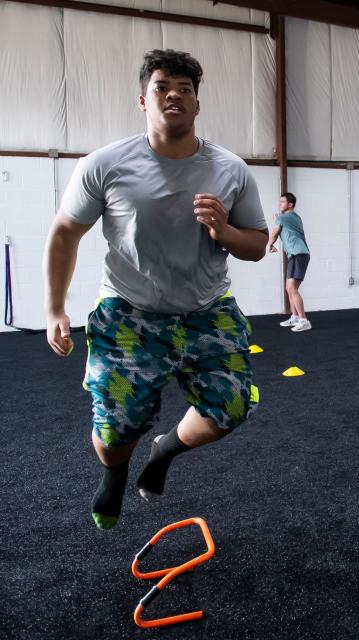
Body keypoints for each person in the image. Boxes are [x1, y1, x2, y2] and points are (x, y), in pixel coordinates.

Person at [43, 49, 268, 530]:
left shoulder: (230, 169)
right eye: (162, 87)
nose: (174, 95)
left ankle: (166, 448)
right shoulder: (104, 164)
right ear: (143, 101)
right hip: (130, 313)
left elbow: (257, 245)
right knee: (114, 429)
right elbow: (64, 233)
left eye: (185, 89)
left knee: (231, 408)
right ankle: (115, 473)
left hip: (208, 310)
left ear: (197, 104)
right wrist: (55, 308)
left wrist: (226, 232)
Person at [268, 192, 311, 331]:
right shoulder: (293, 217)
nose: (279, 204)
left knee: (292, 288)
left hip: (298, 254)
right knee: (289, 288)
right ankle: (295, 317)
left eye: (282, 202)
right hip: (296, 254)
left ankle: (304, 320)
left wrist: (269, 245)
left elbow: (274, 233)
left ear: (290, 204)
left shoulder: (284, 218)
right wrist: (278, 219)